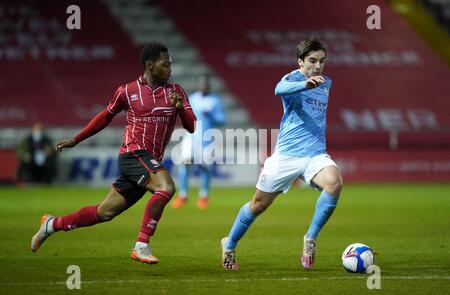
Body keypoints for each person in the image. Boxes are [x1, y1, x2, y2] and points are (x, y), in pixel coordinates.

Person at [30, 43, 196, 265]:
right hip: (133, 153)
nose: (170, 69)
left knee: (105, 212)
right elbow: (105, 117)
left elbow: (192, 126)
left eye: (171, 64)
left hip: (149, 161)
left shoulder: (176, 91)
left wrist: (180, 107)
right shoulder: (127, 91)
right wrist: (76, 140)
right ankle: (142, 245)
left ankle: (51, 225)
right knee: (166, 187)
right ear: (149, 65)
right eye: (165, 64)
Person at [220, 38, 343, 270]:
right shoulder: (293, 79)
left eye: (322, 61)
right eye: (312, 61)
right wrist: (304, 85)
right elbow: (278, 89)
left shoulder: (327, 82)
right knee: (257, 205)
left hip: (315, 154)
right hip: (286, 155)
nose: (318, 66)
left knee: (334, 183)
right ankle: (230, 244)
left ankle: (310, 239)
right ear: (300, 61)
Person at [171, 74, 226, 209]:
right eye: (202, 83)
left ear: (209, 85)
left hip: (207, 139)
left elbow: (222, 120)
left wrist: (211, 115)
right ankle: (183, 195)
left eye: (206, 83)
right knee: (185, 164)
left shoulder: (215, 101)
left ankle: (203, 196)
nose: (204, 85)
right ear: (198, 85)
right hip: (191, 136)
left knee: (204, 169)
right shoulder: (192, 99)